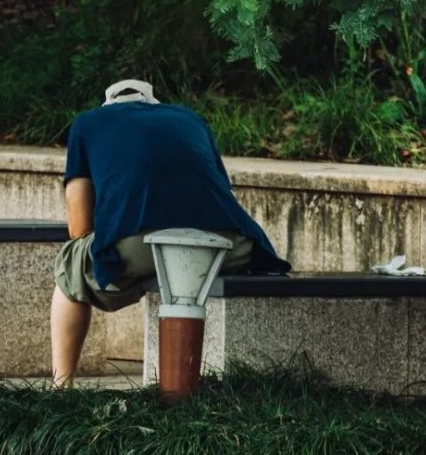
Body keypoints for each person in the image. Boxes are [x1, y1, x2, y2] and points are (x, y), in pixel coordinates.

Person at [50, 80, 291, 387]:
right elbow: (220, 188)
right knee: (167, 258)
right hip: (236, 242)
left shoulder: (87, 124)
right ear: (154, 104)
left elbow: (79, 227)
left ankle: (61, 386)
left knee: (70, 266)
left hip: (140, 242)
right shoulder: (191, 119)